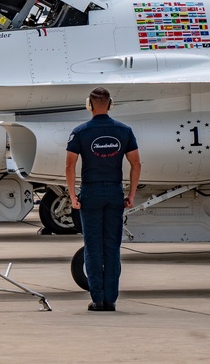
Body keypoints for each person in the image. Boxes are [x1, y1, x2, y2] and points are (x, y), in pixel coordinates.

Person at [66, 87, 140, 312]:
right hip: (115, 193)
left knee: (93, 246)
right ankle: (111, 299)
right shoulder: (124, 130)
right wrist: (131, 195)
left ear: (89, 104)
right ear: (110, 104)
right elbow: (136, 163)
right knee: (112, 246)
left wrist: (72, 196)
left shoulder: (80, 132)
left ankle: (97, 299)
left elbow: (70, 165)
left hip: (91, 193)